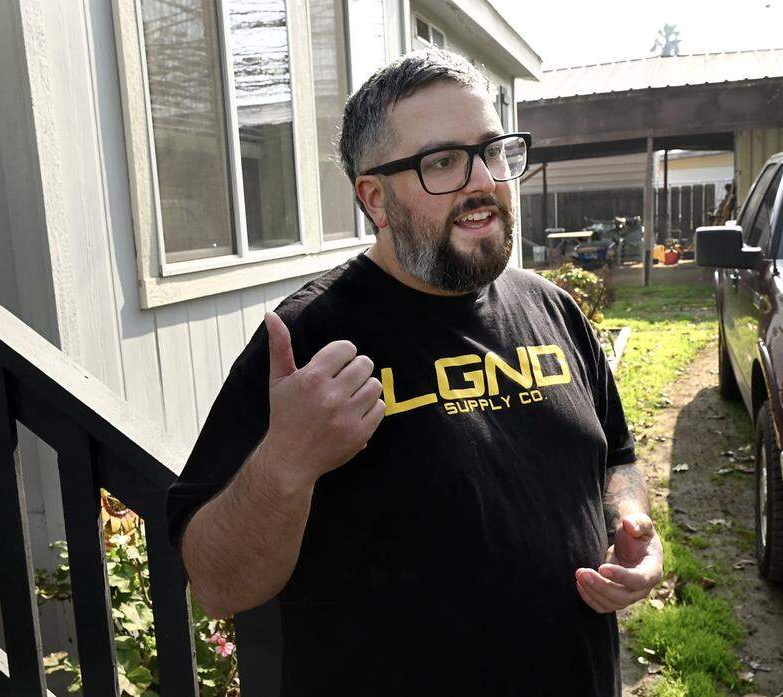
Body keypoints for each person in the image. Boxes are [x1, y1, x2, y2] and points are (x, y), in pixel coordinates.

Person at [167, 49, 664, 696]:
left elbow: (616, 460)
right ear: (374, 198)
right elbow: (216, 582)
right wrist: (286, 460)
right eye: (442, 162)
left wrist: (632, 525)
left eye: (493, 151)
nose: (482, 180)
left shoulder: (554, 310)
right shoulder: (310, 342)